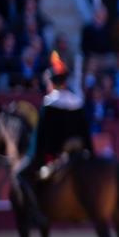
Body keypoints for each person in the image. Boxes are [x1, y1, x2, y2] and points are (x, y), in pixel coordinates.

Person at [14, 52, 93, 226]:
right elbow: (86, 134)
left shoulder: (49, 103)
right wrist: (91, 154)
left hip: (54, 156)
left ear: (52, 82)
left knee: (21, 174)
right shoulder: (76, 102)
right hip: (78, 153)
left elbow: (41, 137)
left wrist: (34, 156)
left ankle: (36, 212)